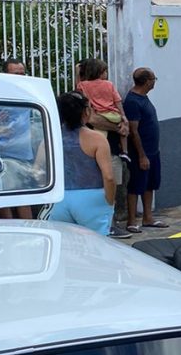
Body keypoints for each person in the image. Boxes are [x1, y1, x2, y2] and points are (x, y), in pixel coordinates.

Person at [46, 91, 115, 235]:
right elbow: (108, 176)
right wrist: (110, 201)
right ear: (85, 112)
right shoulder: (96, 138)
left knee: (64, 242)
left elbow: (39, 170)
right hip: (91, 198)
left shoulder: (51, 138)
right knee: (97, 243)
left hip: (59, 198)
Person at [123, 67, 167, 232]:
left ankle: (148, 217)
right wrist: (141, 155)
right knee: (136, 185)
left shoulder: (143, 97)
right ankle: (131, 221)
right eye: (154, 79)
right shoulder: (133, 102)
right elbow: (134, 131)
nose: (155, 81)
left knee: (150, 184)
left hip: (153, 150)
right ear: (147, 81)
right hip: (141, 153)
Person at [75, 58, 130, 158]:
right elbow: (117, 101)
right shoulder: (109, 84)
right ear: (100, 73)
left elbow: (78, 87)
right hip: (113, 115)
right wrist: (123, 115)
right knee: (124, 130)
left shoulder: (83, 85)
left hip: (99, 114)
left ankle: (98, 152)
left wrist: (77, 74)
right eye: (105, 71)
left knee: (100, 136)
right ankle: (125, 151)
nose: (107, 74)